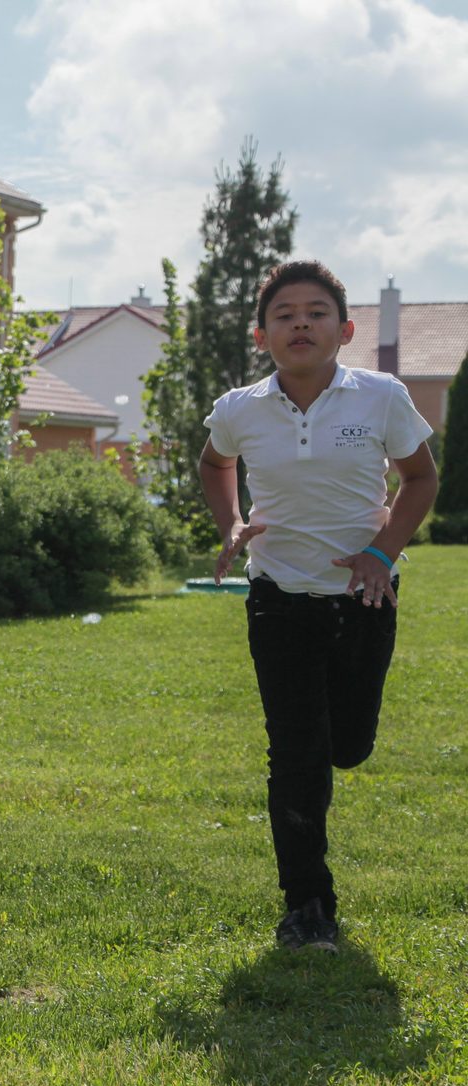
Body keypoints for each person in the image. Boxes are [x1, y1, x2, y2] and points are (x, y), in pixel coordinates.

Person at [199, 260, 437, 953]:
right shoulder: (239, 408)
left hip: (365, 595)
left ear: (345, 329)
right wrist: (233, 524)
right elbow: (214, 464)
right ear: (261, 335)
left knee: (350, 745)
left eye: (315, 312)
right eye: (284, 314)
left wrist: (382, 553)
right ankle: (308, 907)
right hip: (278, 598)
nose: (300, 323)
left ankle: (333, 756)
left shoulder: (381, 398)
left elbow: (421, 478)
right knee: (296, 752)